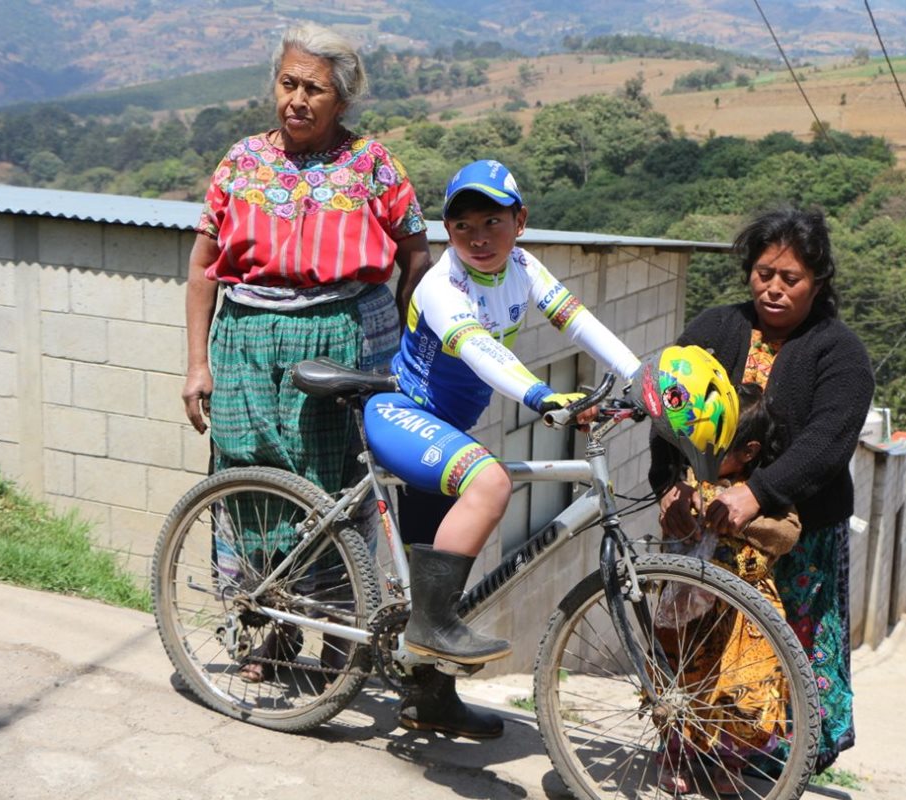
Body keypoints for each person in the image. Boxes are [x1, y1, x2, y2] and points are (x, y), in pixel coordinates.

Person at [181, 23, 432, 683]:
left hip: (337, 340)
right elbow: (204, 264)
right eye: (288, 83)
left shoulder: (372, 164)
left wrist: (405, 347)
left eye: (313, 89)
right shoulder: (241, 162)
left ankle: (338, 645)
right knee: (248, 481)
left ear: (340, 101)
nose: (296, 99)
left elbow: (416, 251)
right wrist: (197, 364)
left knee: (335, 492)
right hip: (244, 345)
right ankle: (262, 637)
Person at [363, 159, 642, 738]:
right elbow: (481, 353)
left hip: (444, 433)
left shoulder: (523, 266)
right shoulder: (442, 286)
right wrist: (541, 395)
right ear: (447, 231)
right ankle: (430, 629)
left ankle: (429, 697)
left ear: (520, 221)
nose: (478, 237)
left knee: (443, 571)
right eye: (462, 226)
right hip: (403, 416)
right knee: (491, 482)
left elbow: (579, 323)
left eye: (492, 220)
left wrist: (641, 377)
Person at [649, 206, 875, 774]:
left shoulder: (839, 353)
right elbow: (668, 408)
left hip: (798, 536)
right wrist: (670, 485)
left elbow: (828, 442)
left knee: (778, 653)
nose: (774, 288)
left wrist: (760, 492)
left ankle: (759, 765)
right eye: (763, 274)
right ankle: (687, 752)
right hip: (706, 525)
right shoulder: (715, 328)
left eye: (790, 279)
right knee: (696, 643)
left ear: (818, 282)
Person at [652, 382, 801, 795]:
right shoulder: (688, 479)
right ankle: (674, 755)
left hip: (744, 615)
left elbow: (788, 533)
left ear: (749, 452)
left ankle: (727, 766)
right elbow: (667, 522)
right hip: (687, 607)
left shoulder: (762, 490)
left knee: (742, 691)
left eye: (717, 451)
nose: (703, 458)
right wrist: (677, 509)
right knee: (682, 684)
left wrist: (744, 519)